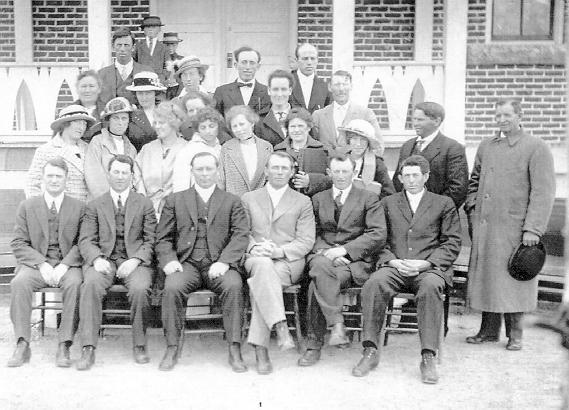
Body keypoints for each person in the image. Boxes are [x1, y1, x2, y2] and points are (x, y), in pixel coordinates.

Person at [353, 155, 462, 383]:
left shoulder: (443, 203)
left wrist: (427, 263)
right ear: (400, 178)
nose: (411, 180)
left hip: (428, 268)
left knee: (431, 287)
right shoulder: (387, 203)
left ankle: (428, 356)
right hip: (395, 266)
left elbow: (452, 242)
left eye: (416, 175)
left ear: (426, 176)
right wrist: (391, 261)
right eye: (406, 176)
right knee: (374, 283)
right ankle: (370, 350)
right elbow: (378, 239)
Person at [465, 99, 555, 351]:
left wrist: (533, 229)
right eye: (498, 116)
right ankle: (488, 331)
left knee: (515, 279)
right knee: (489, 279)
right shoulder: (486, 146)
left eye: (507, 115)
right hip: (486, 227)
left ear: (519, 116)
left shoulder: (536, 147)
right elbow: (474, 181)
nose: (502, 120)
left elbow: (543, 192)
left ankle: (516, 334)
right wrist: (473, 208)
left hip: (516, 229)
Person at [156, 152, 250, 372]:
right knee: (172, 287)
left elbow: (240, 235)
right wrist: (169, 260)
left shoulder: (232, 201)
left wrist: (225, 262)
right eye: (200, 169)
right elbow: (162, 238)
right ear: (192, 171)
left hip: (218, 263)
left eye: (209, 169)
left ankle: (234, 347)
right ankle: (172, 346)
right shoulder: (175, 200)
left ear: (217, 171)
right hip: (186, 263)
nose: (205, 173)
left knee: (234, 286)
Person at [298, 153, 386, 367]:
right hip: (323, 256)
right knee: (320, 267)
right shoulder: (318, 199)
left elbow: (377, 234)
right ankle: (336, 325)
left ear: (354, 172)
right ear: (329, 173)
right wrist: (326, 252)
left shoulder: (368, 198)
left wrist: (344, 251)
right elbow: (311, 232)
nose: (340, 176)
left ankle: (314, 344)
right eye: (336, 171)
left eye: (345, 171)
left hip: (353, 262)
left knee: (317, 283)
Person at [76, 155, 156, 370]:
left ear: (132, 176)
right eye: (116, 172)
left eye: (124, 173)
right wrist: (96, 258)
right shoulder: (95, 205)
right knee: (91, 284)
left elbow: (151, 239)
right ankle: (88, 347)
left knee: (140, 288)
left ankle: (140, 344)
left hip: (134, 261)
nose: (120, 177)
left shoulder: (144, 203)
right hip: (105, 260)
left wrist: (136, 259)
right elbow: (86, 239)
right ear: (108, 174)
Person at [241, 152, 315, 374]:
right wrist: (253, 247)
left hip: (287, 261)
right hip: (256, 257)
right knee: (263, 268)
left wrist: (278, 251)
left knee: (263, 282)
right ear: (266, 170)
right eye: (275, 167)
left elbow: (306, 240)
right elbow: (241, 232)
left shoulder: (303, 201)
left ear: (292, 172)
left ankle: (262, 349)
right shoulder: (249, 198)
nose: (280, 172)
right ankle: (279, 325)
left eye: (285, 168)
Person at [8, 158, 84, 368]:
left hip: (67, 265)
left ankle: (64, 344)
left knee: (75, 284)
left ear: (66, 179)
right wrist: (41, 264)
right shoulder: (27, 206)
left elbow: (83, 242)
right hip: (36, 265)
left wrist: (64, 265)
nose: (54, 180)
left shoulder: (79, 207)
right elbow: (18, 242)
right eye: (50, 175)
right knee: (19, 283)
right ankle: (22, 343)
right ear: (42, 178)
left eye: (59, 176)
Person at [392, 102, 469, 209]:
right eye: (414, 119)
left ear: (436, 121)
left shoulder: (452, 148)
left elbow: (458, 188)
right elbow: (397, 182)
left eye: (420, 120)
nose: (415, 123)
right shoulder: (407, 146)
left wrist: (433, 211)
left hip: (437, 214)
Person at [26, 104, 95, 203]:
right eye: (77, 122)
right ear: (64, 124)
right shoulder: (46, 150)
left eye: (84, 123)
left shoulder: (89, 149)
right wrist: (40, 209)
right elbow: (32, 185)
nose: (81, 127)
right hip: (58, 208)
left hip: (86, 209)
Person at [135, 101, 187, 219]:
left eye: (162, 123)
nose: (157, 126)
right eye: (155, 123)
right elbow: (137, 176)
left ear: (173, 123)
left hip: (177, 212)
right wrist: (144, 202)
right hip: (147, 212)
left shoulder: (187, 149)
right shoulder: (147, 149)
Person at [312, 70, 382, 154]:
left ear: (351, 86)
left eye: (345, 84)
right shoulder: (318, 116)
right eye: (337, 84)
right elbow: (312, 146)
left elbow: (378, 147)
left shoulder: (366, 114)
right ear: (330, 87)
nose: (341, 89)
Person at [85, 97, 138, 199]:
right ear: (108, 120)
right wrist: (109, 201)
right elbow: (93, 176)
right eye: (115, 118)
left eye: (124, 118)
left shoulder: (132, 149)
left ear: (128, 121)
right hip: (101, 201)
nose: (120, 123)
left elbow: (133, 179)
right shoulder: (98, 142)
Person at [274, 107, 331, 196]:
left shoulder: (322, 150)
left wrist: (311, 181)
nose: (296, 130)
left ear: (308, 127)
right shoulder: (278, 151)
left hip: (313, 202)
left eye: (300, 126)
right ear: (287, 129)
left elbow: (331, 179)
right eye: (292, 126)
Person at [218, 105, 273, 197]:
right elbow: (221, 180)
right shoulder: (227, 148)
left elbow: (270, 178)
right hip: (235, 202)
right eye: (234, 126)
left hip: (260, 201)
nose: (239, 129)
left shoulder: (266, 147)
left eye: (242, 124)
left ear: (252, 123)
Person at [340, 118, 395, 200]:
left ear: (368, 143)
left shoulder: (377, 164)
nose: (358, 144)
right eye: (354, 139)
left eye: (363, 140)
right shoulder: (340, 160)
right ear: (349, 140)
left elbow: (389, 193)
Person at [173, 106, 224, 193]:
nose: (208, 131)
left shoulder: (221, 149)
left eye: (211, 126)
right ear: (198, 130)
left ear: (218, 126)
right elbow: (180, 184)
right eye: (203, 127)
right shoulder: (188, 150)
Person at [98, 27, 153, 106]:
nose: (122, 49)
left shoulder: (146, 72)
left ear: (133, 47)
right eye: (119, 45)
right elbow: (98, 102)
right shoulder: (101, 74)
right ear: (113, 47)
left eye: (126, 45)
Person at [213, 46, 271, 116]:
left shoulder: (267, 92)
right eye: (244, 62)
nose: (247, 67)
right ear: (236, 65)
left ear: (258, 66)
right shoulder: (222, 92)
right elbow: (216, 118)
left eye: (252, 63)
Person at [126, 71, 167, 151]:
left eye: (148, 93)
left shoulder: (166, 113)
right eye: (140, 93)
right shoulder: (131, 116)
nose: (144, 97)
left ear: (155, 93)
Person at [254, 69, 294, 147]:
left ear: (290, 91)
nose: (279, 94)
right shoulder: (258, 120)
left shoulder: (302, 117)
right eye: (275, 89)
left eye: (283, 89)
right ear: (269, 90)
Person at [289, 43, 332, 113]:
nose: (309, 62)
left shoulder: (324, 87)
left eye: (312, 58)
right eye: (305, 59)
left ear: (317, 60)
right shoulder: (287, 83)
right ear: (297, 60)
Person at [132, 16, 168, 82]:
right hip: (142, 79)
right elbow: (133, 63)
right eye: (148, 27)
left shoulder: (164, 47)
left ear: (159, 29)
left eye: (154, 27)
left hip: (158, 81)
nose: (150, 29)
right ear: (143, 30)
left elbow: (168, 66)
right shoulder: (138, 46)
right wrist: (137, 76)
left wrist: (162, 77)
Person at [74, 70, 105, 142]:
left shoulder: (107, 111)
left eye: (91, 86)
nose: (87, 90)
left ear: (99, 89)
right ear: (77, 89)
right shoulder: (68, 112)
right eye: (83, 86)